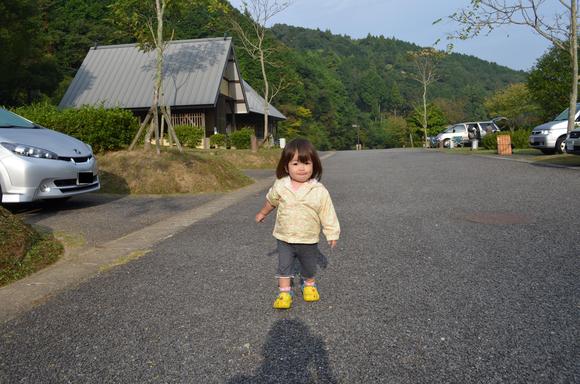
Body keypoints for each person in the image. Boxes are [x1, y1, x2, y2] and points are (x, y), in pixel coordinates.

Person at [255, 138, 340, 309]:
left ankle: (309, 285)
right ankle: (284, 292)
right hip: (284, 236)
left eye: (306, 163)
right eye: (295, 164)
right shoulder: (281, 186)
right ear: (286, 167)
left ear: (314, 165)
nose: (301, 168)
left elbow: (327, 213)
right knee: (284, 266)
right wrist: (263, 212)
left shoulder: (318, 190)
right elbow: (271, 201)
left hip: (308, 238)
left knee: (309, 266)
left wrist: (331, 233)